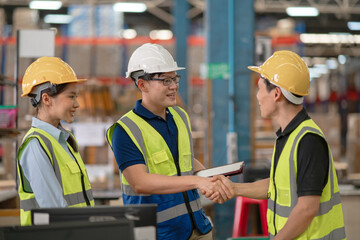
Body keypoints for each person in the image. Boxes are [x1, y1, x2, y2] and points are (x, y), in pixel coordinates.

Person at [215, 50, 346, 239]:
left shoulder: (308, 141)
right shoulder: (288, 136)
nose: (258, 97)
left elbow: (307, 208)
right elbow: (277, 186)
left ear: (276, 94)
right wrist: (235, 189)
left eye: (260, 89)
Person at [106, 43, 230, 240]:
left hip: (199, 227)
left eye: (174, 79)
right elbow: (140, 182)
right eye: (165, 80)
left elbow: (185, 162)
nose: (174, 86)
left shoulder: (180, 116)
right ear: (142, 84)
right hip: (159, 233)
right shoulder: (125, 130)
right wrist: (197, 181)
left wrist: (210, 178)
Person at [17, 57, 94, 226]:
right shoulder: (35, 145)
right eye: (71, 97)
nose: (77, 104)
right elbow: (54, 210)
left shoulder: (64, 141)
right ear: (46, 99)